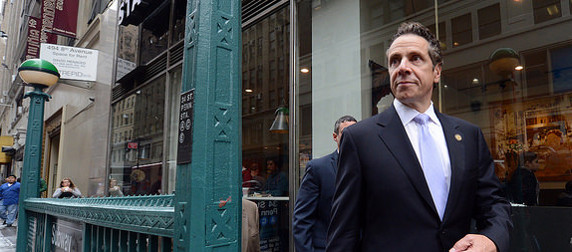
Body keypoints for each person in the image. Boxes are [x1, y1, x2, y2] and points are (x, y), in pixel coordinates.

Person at [326, 22, 512, 252]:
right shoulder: (360, 139)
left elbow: (494, 205)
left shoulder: (468, 135)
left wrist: (491, 240)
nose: (402, 67)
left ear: (437, 71)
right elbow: (344, 233)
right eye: (395, 60)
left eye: (415, 58)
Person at [293, 115, 357, 252]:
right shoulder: (318, 168)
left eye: (355, 133)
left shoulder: (367, 165)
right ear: (335, 137)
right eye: (346, 134)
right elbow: (302, 219)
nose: (352, 138)